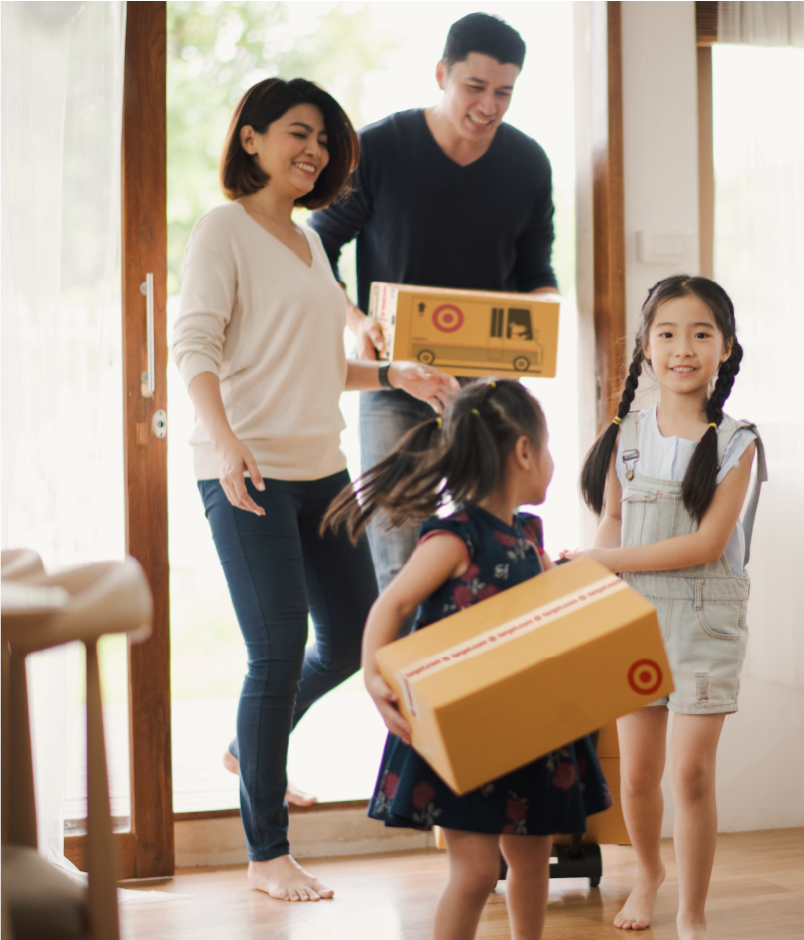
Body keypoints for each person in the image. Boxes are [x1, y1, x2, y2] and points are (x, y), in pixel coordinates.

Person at [172, 77, 458, 903]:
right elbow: (194, 346)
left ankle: (245, 744)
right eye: (299, 133)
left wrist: (391, 370)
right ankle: (267, 853)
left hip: (320, 469)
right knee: (273, 649)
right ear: (252, 139)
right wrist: (224, 443)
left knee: (349, 634)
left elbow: (321, 363)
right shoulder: (222, 230)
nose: (316, 151)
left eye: (326, 140)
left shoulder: (307, 244)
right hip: (249, 471)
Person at [324, 380, 612, 940]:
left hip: (531, 730)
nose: (551, 461)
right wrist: (372, 675)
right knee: (478, 871)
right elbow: (395, 601)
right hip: (467, 731)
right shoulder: (455, 539)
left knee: (531, 863)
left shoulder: (529, 538)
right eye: (548, 447)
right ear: (524, 451)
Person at [309, 12, 559, 607]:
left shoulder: (528, 164)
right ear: (442, 73)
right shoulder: (379, 149)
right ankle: (407, 696)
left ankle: (473, 691)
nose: (488, 106)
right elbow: (317, 245)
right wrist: (357, 322)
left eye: (504, 92)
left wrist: (541, 321)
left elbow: (536, 273)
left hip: (488, 389)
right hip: (398, 382)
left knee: (491, 553)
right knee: (399, 559)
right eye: (475, 87)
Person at [567, 276, 767, 939]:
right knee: (641, 774)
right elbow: (614, 523)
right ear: (646, 349)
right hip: (634, 620)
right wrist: (596, 574)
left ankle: (692, 910)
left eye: (702, 334)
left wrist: (606, 562)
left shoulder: (740, 443)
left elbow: (707, 544)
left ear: (726, 348)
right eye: (669, 333)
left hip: (705, 622)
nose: (685, 348)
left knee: (689, 774)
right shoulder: (624, 435)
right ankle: (648, 873)